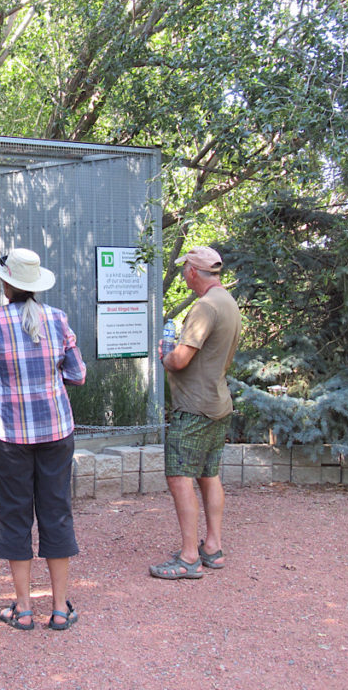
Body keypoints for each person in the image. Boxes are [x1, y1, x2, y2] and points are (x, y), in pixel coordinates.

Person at [0, 248, 87, 630]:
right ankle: (60, 609)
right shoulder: (58, 319)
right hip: (56, 431)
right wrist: (49, 385)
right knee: (56, 511)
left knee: (15, 514)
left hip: (9, 435)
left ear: (7, 284)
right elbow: (78, 374)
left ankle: (23, 607)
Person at [151, 246, 241, 580]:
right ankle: (212, 548)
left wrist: (165, 354)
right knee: (209, 473)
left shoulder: (204, 307)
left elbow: (181, 359)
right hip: (219, 403)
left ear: (192, 271)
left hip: (194, 407)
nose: (185, 275)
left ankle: (189, 557)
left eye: (185, 270)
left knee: (179, 477)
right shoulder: (228, 302)